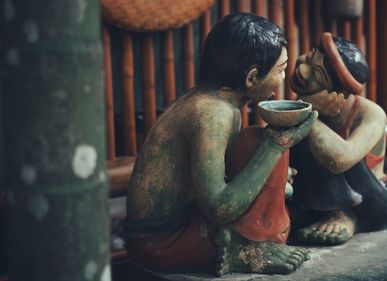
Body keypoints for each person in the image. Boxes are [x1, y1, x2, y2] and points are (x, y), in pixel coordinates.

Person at [125, 13, 316, 276]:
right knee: (266, 143)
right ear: (251, 78)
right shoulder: (212, 114)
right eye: (280, 70)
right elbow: (219, 208)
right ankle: (248, 250)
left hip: (185, 221)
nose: (283, 78)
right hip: (162, 243)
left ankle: (243, 242)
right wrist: (276, 146)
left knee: (254, 140)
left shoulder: (216, 103)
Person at [288, 32, 387, 245]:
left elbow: (340, 160)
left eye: (316, 75)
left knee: (320, 138)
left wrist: (307, 112)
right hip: (311, 197)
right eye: (310, 57)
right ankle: (324, 212)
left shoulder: (370, 114)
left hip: (370, 200)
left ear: (341, 94)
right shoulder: (307, 101)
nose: (302, 69)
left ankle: (345, 216)